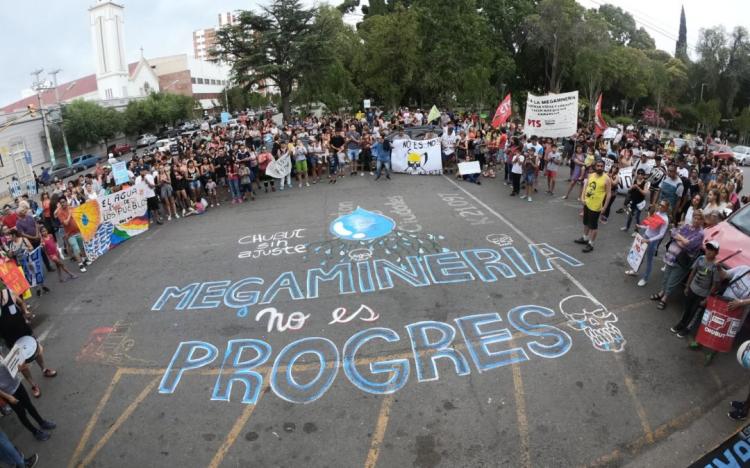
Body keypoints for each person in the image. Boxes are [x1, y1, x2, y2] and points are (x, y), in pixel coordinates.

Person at [649, 210, 705, 310]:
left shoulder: (700, 233)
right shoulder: (687, 226)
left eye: (698, 219)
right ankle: (661, 292)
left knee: (672, 280)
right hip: (671, 256)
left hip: (682, 260)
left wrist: (680, 239)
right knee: (666, 276)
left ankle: (665, 299)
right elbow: (673, 233)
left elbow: (690, 246)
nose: (696, 220)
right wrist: (683, 240)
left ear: (702, 221)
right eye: (695, 218)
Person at [670, 240, 720, 338]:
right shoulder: (700, 259)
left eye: (712, 250)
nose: (709, 251)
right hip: (692, 288)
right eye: (708, 248)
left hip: (702, 294)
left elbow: (715, 285)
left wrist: (707, 299)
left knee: (694, 312)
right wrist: (687, 286)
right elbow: (693, 272)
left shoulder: (716, 266)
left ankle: (687, 328)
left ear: (716, 253)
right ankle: (681, 323)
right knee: (687, 308)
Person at [626, 200, 670, 286]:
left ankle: (645, 278)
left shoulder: (665, 219)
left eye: (663, 206)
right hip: (645, 236)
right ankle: (635, 270)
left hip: (651, 241)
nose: (660, 206)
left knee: (649, 260)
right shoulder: (657, 213)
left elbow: (661, 235)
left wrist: (649, 240)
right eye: (660, 204)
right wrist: (641, 226)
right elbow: (650, 225)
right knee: (639, 255)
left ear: (667, 208)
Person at [574, 159, 611, 253]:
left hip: (596, 206)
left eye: (601, 166)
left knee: (593, 226)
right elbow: (586, 186)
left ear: (604, 167)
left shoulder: (607, 179)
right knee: (586, 222)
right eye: (598, 166)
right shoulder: (591, 175)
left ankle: (590, 243)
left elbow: (609, 194)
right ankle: (585, 238)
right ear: (595, 166)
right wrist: (582, 197)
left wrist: (605, 207)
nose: (600, 168)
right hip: (587, 203)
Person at [53, 198, 88, 273]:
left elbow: (79, 215)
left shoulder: (71, 208)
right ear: (60, 204)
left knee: (81, 247)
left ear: (66, 202)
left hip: (78, 231)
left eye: (64, 202)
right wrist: (69, 214)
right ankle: (80, 264)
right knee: (76, 249)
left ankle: (85, 259)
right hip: (70, 234)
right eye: (61, 203)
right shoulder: (60, 213)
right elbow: (66, 223)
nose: (63, 204)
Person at [620, 168, 650, 233]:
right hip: (633, 201)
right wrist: (632, 187)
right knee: (630, 215)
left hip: (639, 202)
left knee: (637, 217)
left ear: (644, 175)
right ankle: (627, 227)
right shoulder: (635, 180)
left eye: (641, 174)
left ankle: (636, 231)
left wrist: (638, 188)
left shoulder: (645, 183)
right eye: (639, 173)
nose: (640, 175)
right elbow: (629, 189)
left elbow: (645, 193)